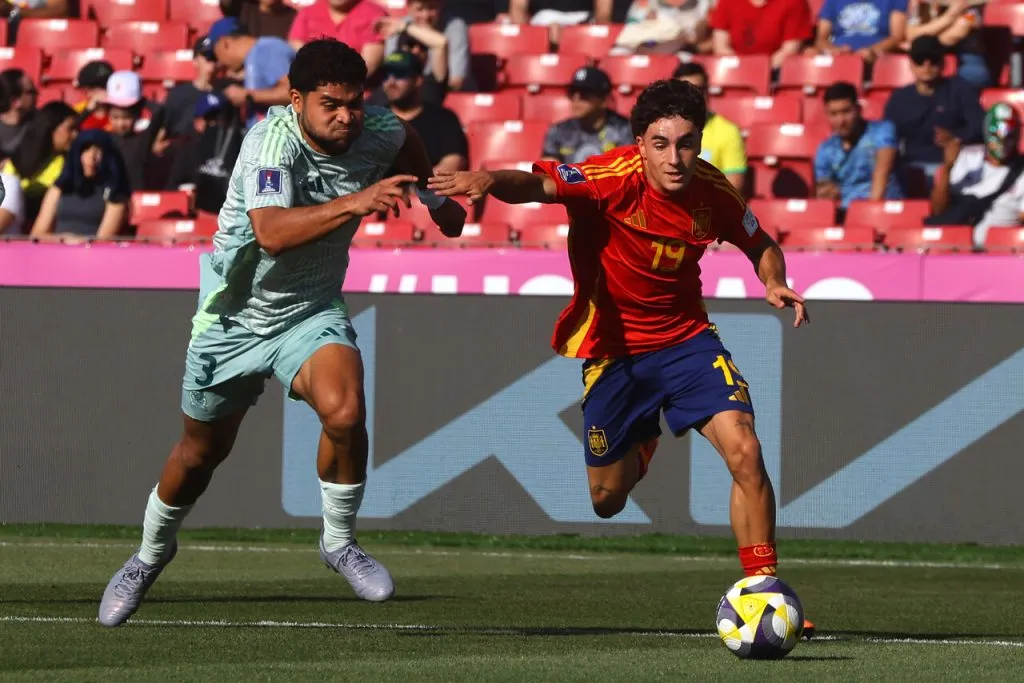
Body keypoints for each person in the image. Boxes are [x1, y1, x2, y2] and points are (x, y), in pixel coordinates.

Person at [97, 38, 467, 628]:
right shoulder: (270, 143)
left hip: (309, 311)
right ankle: (149, 554)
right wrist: (357, 201)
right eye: (330, 104)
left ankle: (338, 542)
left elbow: (412, 157)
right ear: (296, 100)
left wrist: (435, 199)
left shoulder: (381, 130)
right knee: (199, 454)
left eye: (353, 103)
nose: (346, 116)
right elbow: (270, 232)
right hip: (233, 319)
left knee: (345, 413)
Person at [427, 78, 815, 638]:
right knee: (606, 499)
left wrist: (774, 282)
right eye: (661, 143)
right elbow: (537, 186)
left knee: (746, 450)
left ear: (701, 142)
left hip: (687, 342)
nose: (674, 157)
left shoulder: (715, 193)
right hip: (615, 353)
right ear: (639, 143)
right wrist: (489, 179)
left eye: (686, 143)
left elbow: (761, 242)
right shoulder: (610, 178)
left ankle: (763, 590)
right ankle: (646, 437)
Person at [883, 35, 983, 185]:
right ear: (911, 64)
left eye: (933, 60)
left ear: (943, 63)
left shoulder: (960, 89)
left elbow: (979, 126)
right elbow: (887, 136)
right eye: (920, 60)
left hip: (954, 165)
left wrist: (955, 137)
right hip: (911, 167)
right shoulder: (899, 98)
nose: (926, 65)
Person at [929, 103, 1024, 248]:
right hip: (955, 248)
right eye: (996, 135)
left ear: (1017, 136)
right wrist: (947, 168)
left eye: (1009, 137)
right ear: (986, 133)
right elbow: (938, 210)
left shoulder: (1021, 171)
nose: (1003, 143)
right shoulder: (966, 158)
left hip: (1000, 250)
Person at [815, 81, 902, 215]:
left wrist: (871, 212)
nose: (841, 121)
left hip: (884, 209)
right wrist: (826, 191)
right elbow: (823, 187)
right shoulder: (826, 149)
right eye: (834, 114)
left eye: (846, 112)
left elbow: (882, 170)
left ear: (859, 109)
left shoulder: (882, 130)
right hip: (845, 213)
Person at [373, 51, 467, 174]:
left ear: (418, 80)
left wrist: (416, 189)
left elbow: (453, 162)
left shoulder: (443, 118)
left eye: (400, 74)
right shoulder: (373, 120)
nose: (391, 82)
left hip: (427, 191)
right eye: (385, 76)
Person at [30, 130, 131, 239]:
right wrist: (65, 240)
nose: (91, 157)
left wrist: (79, 243)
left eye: (98, 151)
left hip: (92, 253)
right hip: (56, 251)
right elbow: (37, 235)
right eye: (86, 150)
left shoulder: (115, 195)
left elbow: (103, 241)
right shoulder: (58, 189)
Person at [205, 17, 296, 129]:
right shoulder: (255, 56)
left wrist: (248, 96)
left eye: (216, 56)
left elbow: (295, 92)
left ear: (225, 43)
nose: (219, 63)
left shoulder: (267, 49)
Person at [673, 62, 746, 191]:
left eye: (699, 89)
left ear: (707, 91)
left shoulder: (728, 131)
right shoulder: (662, 129)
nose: (693, 95)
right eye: (685, 90)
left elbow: (733, 186)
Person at [3, 101, 77, 225]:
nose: (76, 135)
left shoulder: (70, 164)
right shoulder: (15, 161)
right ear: (51, 128)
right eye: (71, 129)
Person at [542, 67, 633, 165]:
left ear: (604, 99)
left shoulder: (625, 131)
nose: (576, 98)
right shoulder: (558, 132)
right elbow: (549, 174)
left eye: (584, 93)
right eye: (572, 92)